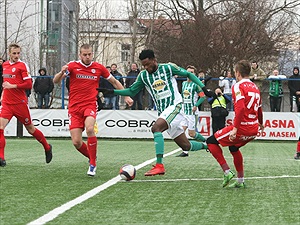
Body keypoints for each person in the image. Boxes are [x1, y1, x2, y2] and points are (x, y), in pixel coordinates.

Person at [98, 49, 214, 176]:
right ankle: (208, 146)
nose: (146, 67)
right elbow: (131, 91)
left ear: (154, 60)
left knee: (156, 128)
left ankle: (159, 165)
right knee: (185, 146)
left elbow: (189, 74)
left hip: (176, 106)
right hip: (164, 112)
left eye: (148, 64)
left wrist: (203, 88)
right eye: (144, 65)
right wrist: (111, 91)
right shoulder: (143, 75)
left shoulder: (168, 68)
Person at [53, 44, 133, 176]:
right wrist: (61, 72)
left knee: (90, 129)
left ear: (92, 54)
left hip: (90, 104)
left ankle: (92, 165)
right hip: (74, 107)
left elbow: (114, 82)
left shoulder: (98, 67)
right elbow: (56, 81)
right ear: (80, 55)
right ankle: (92, 157)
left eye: (89, 54)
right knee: (76, 142)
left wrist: (125, 96)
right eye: (84, 54)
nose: (87, 57)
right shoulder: (72, 66)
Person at [206, 60, 264, 188]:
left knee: (211, 141)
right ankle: (240, 180)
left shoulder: (237, 86)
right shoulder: (255, 87)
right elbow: (259, 108)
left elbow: (241, 108)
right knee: (234, 147)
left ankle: (227, 172)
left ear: (237, 73)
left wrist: (235, 129)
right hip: (253, 129)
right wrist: (261, 123)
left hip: (243, 127)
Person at [0, 43, 53, 167]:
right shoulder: (5, 65)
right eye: (14, 53)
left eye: (18, 53)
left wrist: (13, 86)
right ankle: (1, 158)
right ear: (9, 53)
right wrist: (3, 94)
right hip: (7, 103)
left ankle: (47, 146)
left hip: (20, 103)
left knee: (30, 129)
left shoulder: (22, 66)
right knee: (0, 128)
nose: (17, 56)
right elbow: (5, 83)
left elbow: (29, 84)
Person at [176, 65, 206, 157]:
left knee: (191, 134)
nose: (189, 74)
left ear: (194, 74)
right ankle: (185, 151)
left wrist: (196, 105)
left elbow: (203, 96)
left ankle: (206, 142)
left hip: (192, 113)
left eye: (192, 72)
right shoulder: (184, 84)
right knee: (180, 131)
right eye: (188, 72)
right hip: (185, 112)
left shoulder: (196, 85)